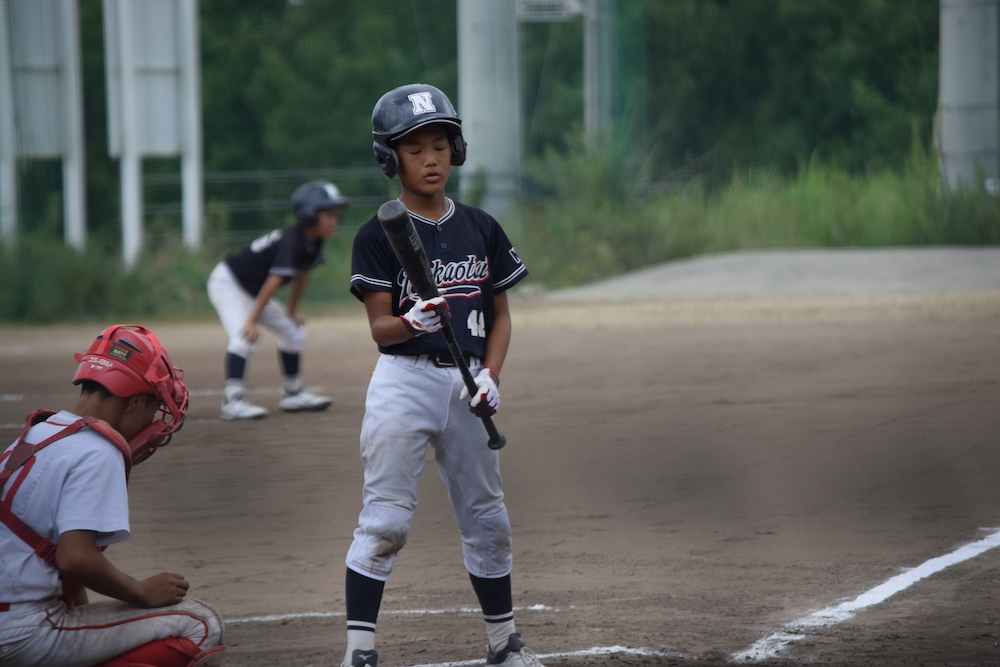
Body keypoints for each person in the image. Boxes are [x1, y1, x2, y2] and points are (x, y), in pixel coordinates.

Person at [342, 83, 540, 667]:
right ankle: (359, 652)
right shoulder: (377, 233)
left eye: (440, 145)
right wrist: (410, 322)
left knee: (488, 518)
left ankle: (503, 642)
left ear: (457, 149)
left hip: (469, 384)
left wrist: (492, 375)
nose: (430, 159)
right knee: (385, 523)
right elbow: (380, 330)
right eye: (414, 149)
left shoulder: (481, 226)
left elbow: (500, 316)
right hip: (403, 383)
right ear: (389, 159)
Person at [0, 324, 226, 667]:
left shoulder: (39, 432)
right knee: (201, 624)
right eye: (153, 407)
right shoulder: (99, 449)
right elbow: (75, 559)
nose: (153, 421)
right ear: (135, 401)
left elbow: (61, 566)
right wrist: (141, 592)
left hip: (12, 616)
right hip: (20, 630)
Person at [207, 180, 349, 420]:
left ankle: (293, 393)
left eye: (336, 215)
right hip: (229, 283)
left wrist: (291, 312)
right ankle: (233, 400)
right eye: (329, 215)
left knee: (293, 330)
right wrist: (251, 321)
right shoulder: (292, 241)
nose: (335, 220)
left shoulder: (314, 241)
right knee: (244, 337)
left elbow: (302, 276)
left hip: (254, 291)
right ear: (308, 215)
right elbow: (273, 283)